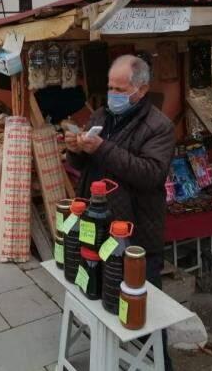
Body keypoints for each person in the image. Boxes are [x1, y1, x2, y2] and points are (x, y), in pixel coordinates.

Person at [66, 54, 176, 369]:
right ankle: (115, 359)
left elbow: (150, 174)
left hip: (135, 231)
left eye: (119, 88)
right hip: (97, 223)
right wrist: (76, 151)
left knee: (142, 310)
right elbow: (86, 164)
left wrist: (101, 147)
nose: (112, 94)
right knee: (105, 299)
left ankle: (158, 364)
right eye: (110, 87)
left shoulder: (159, 126)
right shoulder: (101, 113)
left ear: (140, 89)